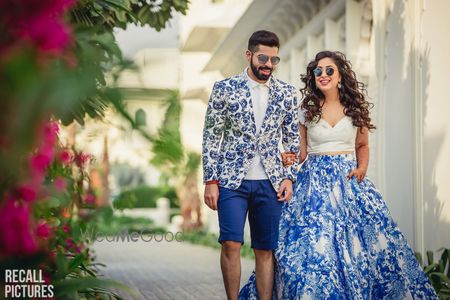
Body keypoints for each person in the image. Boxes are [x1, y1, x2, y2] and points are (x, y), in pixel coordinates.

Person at [238, 51, 438, 299]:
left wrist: (362, 168)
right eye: (318, 71)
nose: (323, 75)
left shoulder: (356, 108)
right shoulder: (307, 109)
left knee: (367, 249)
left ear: (341, 75)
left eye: (329, 70)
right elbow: (300, 153)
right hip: (313, 188)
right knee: (311, 250)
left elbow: (362, 146)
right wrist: (282, 158)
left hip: (349, 183)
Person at [201, 30, 301, 300]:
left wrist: (289, 178)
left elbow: (292, 141)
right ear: (249, 55)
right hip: (232, 181)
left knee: (265, 250)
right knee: (231, 243)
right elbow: (212, 136)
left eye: (274, 59)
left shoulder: (287, 94)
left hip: (271, 183)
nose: (268, 64)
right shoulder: (224, 89)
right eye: (263, 58)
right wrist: (210, 181)